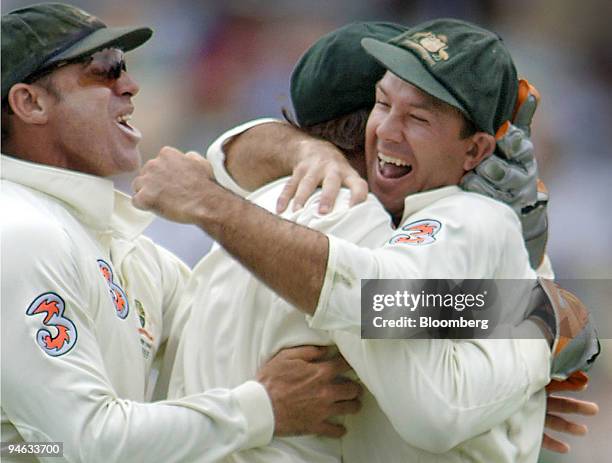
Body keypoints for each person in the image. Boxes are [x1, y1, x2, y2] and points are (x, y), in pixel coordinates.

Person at [133, 19, 597, 461]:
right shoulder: (361, 221)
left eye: (418, 115)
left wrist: (509, 385)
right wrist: (536, 322)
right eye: (386, 104)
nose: (392, 128)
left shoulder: (259, 208)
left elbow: (392, 307)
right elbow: (425, 384)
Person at [0, 4, 363, 462]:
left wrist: (263, 165)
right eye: (105, 70)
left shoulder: (106, 238)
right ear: (30, 103)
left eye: (123, 67)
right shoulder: (22, 233)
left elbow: (347, 303)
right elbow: (82, 444)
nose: (130, 85)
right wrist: (263, 408)